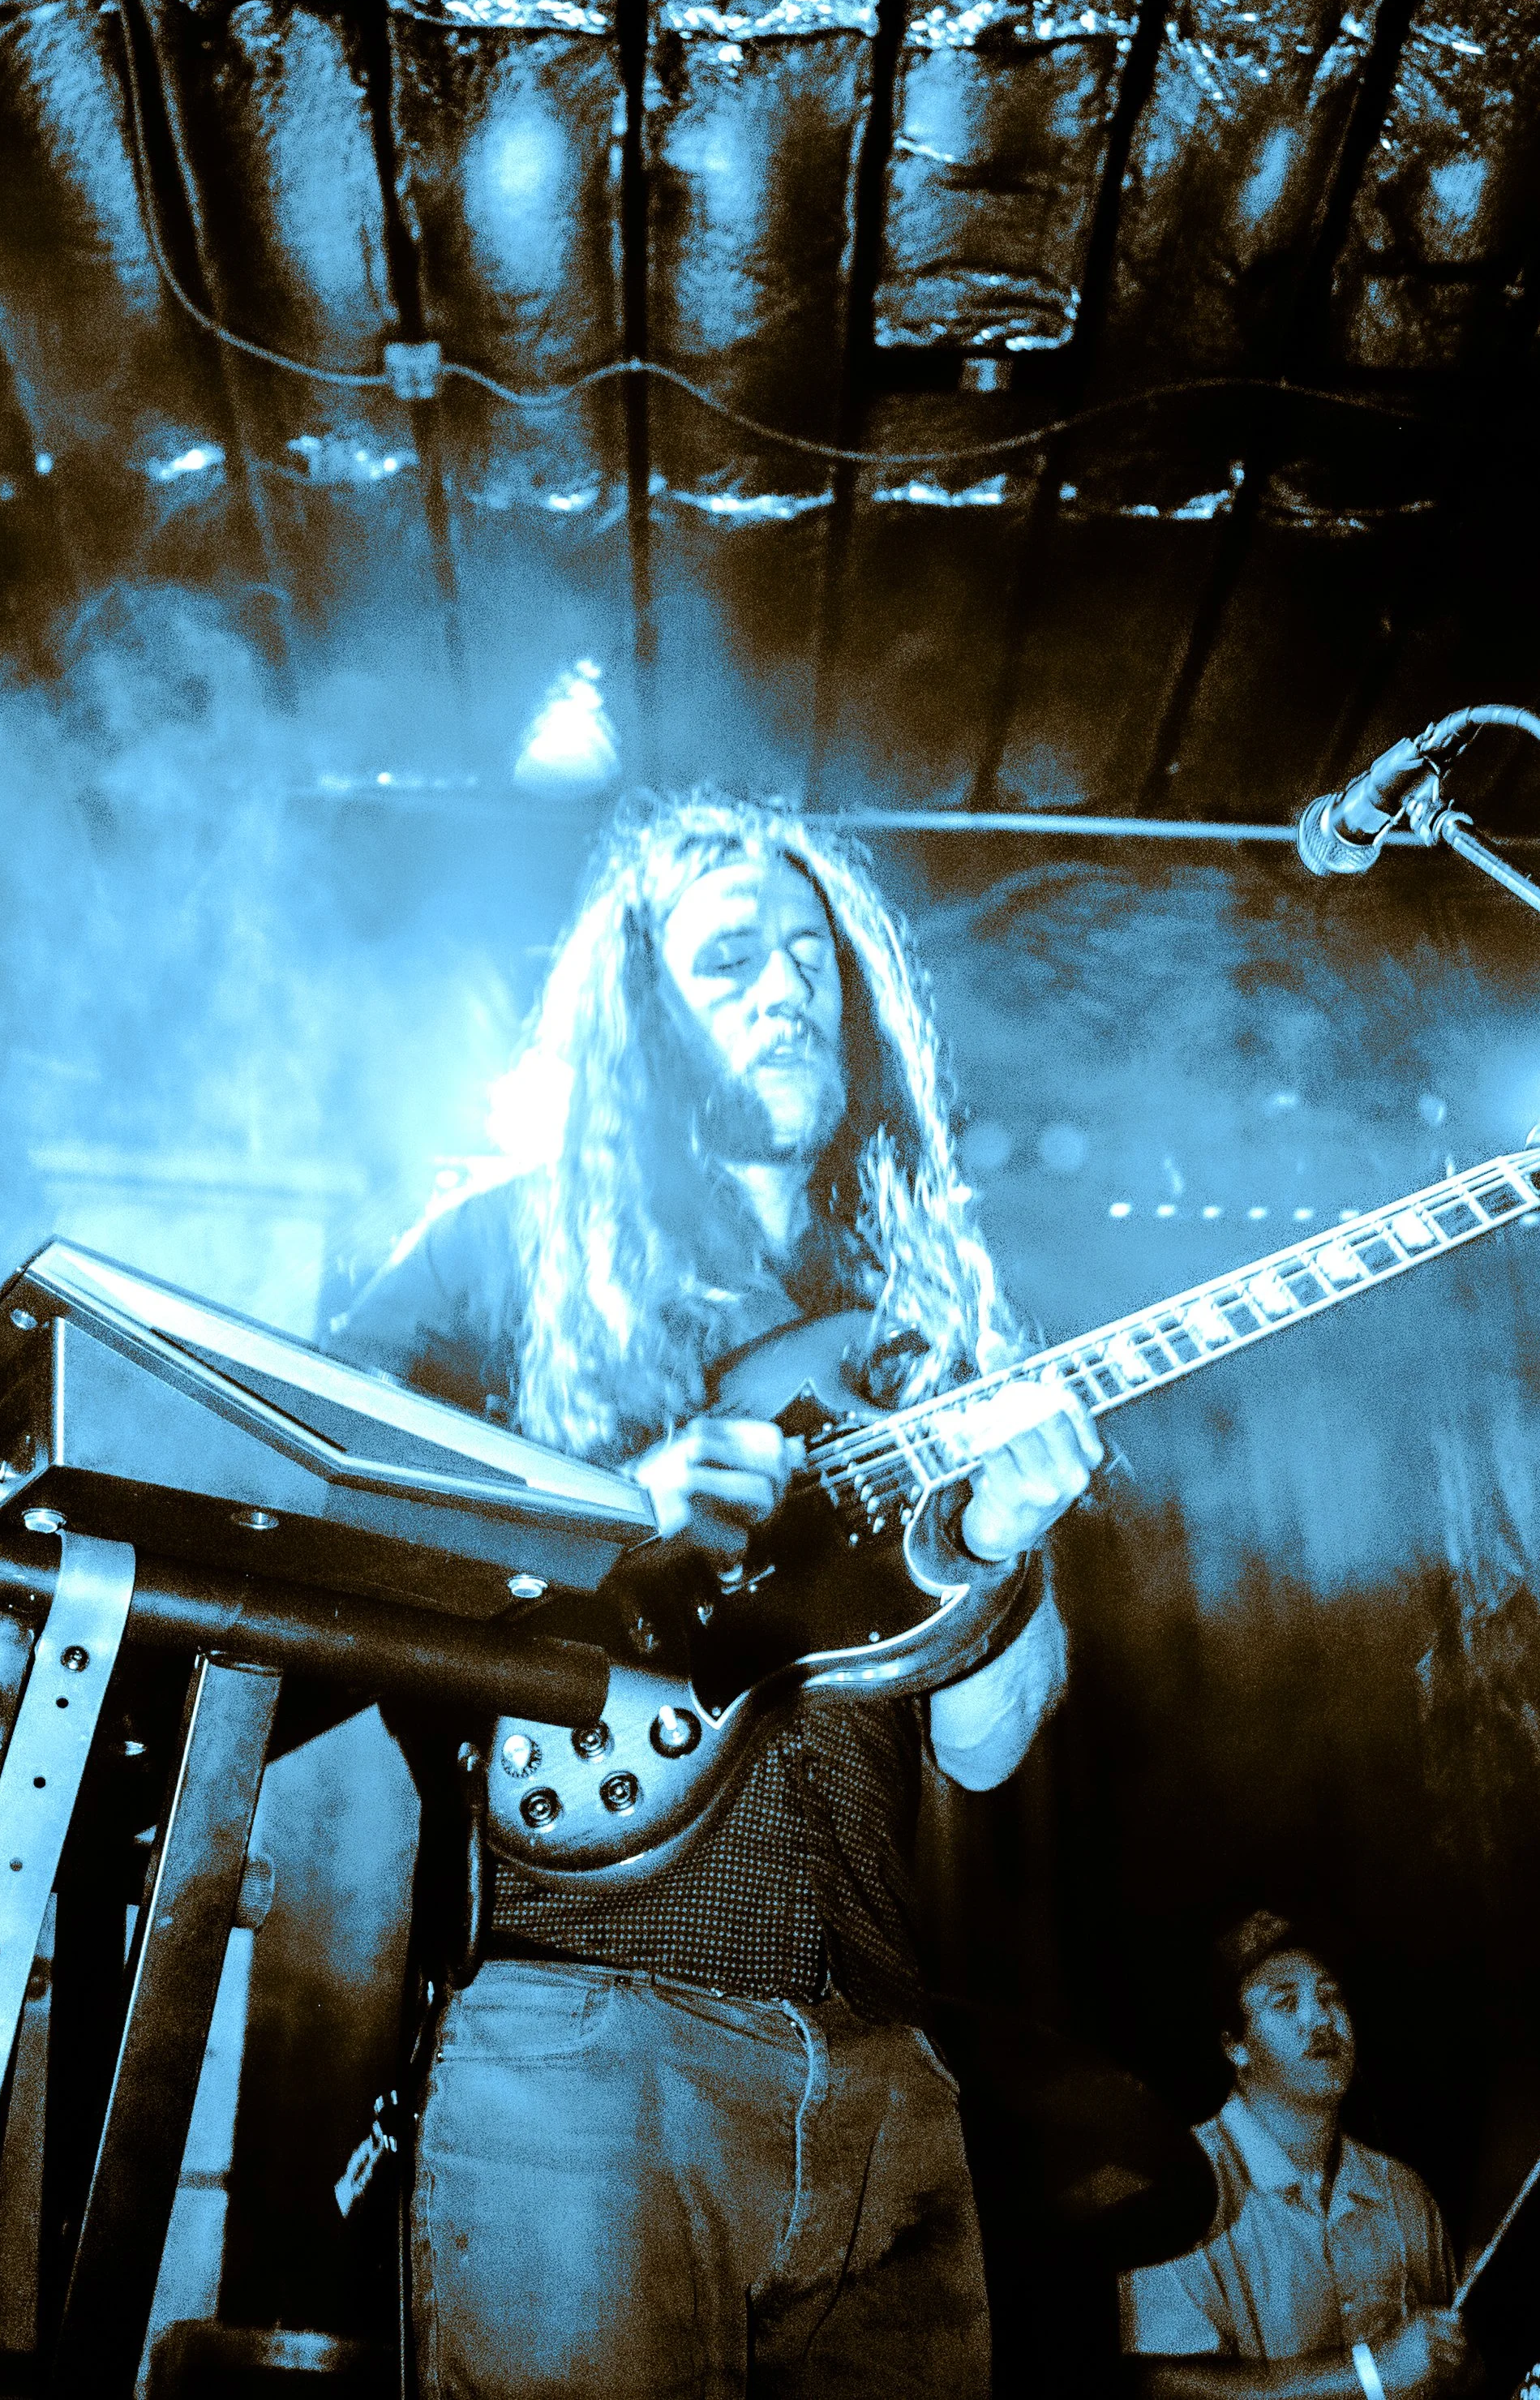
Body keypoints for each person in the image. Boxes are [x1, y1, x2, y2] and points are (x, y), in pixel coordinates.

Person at [337, 792, 1102, 2400]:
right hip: (583, 2041)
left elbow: (982, 1742)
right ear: (636, 1017)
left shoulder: (918, 1319)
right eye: (730, 958)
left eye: (814, 958)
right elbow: (308, 1496)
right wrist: (609, 1520)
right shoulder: (508, 1248)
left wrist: (995, 1540)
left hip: (882, 2073)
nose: (789, 988)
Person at [1122, 1911, 1470, 2400]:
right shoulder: (1176, 2185)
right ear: (1235, 2047)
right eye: (1286, 2002)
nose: (1320, 2018)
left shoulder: (1404, 2192)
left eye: (1330, 1996)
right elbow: (1161, 2389)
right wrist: (1372, 2372)